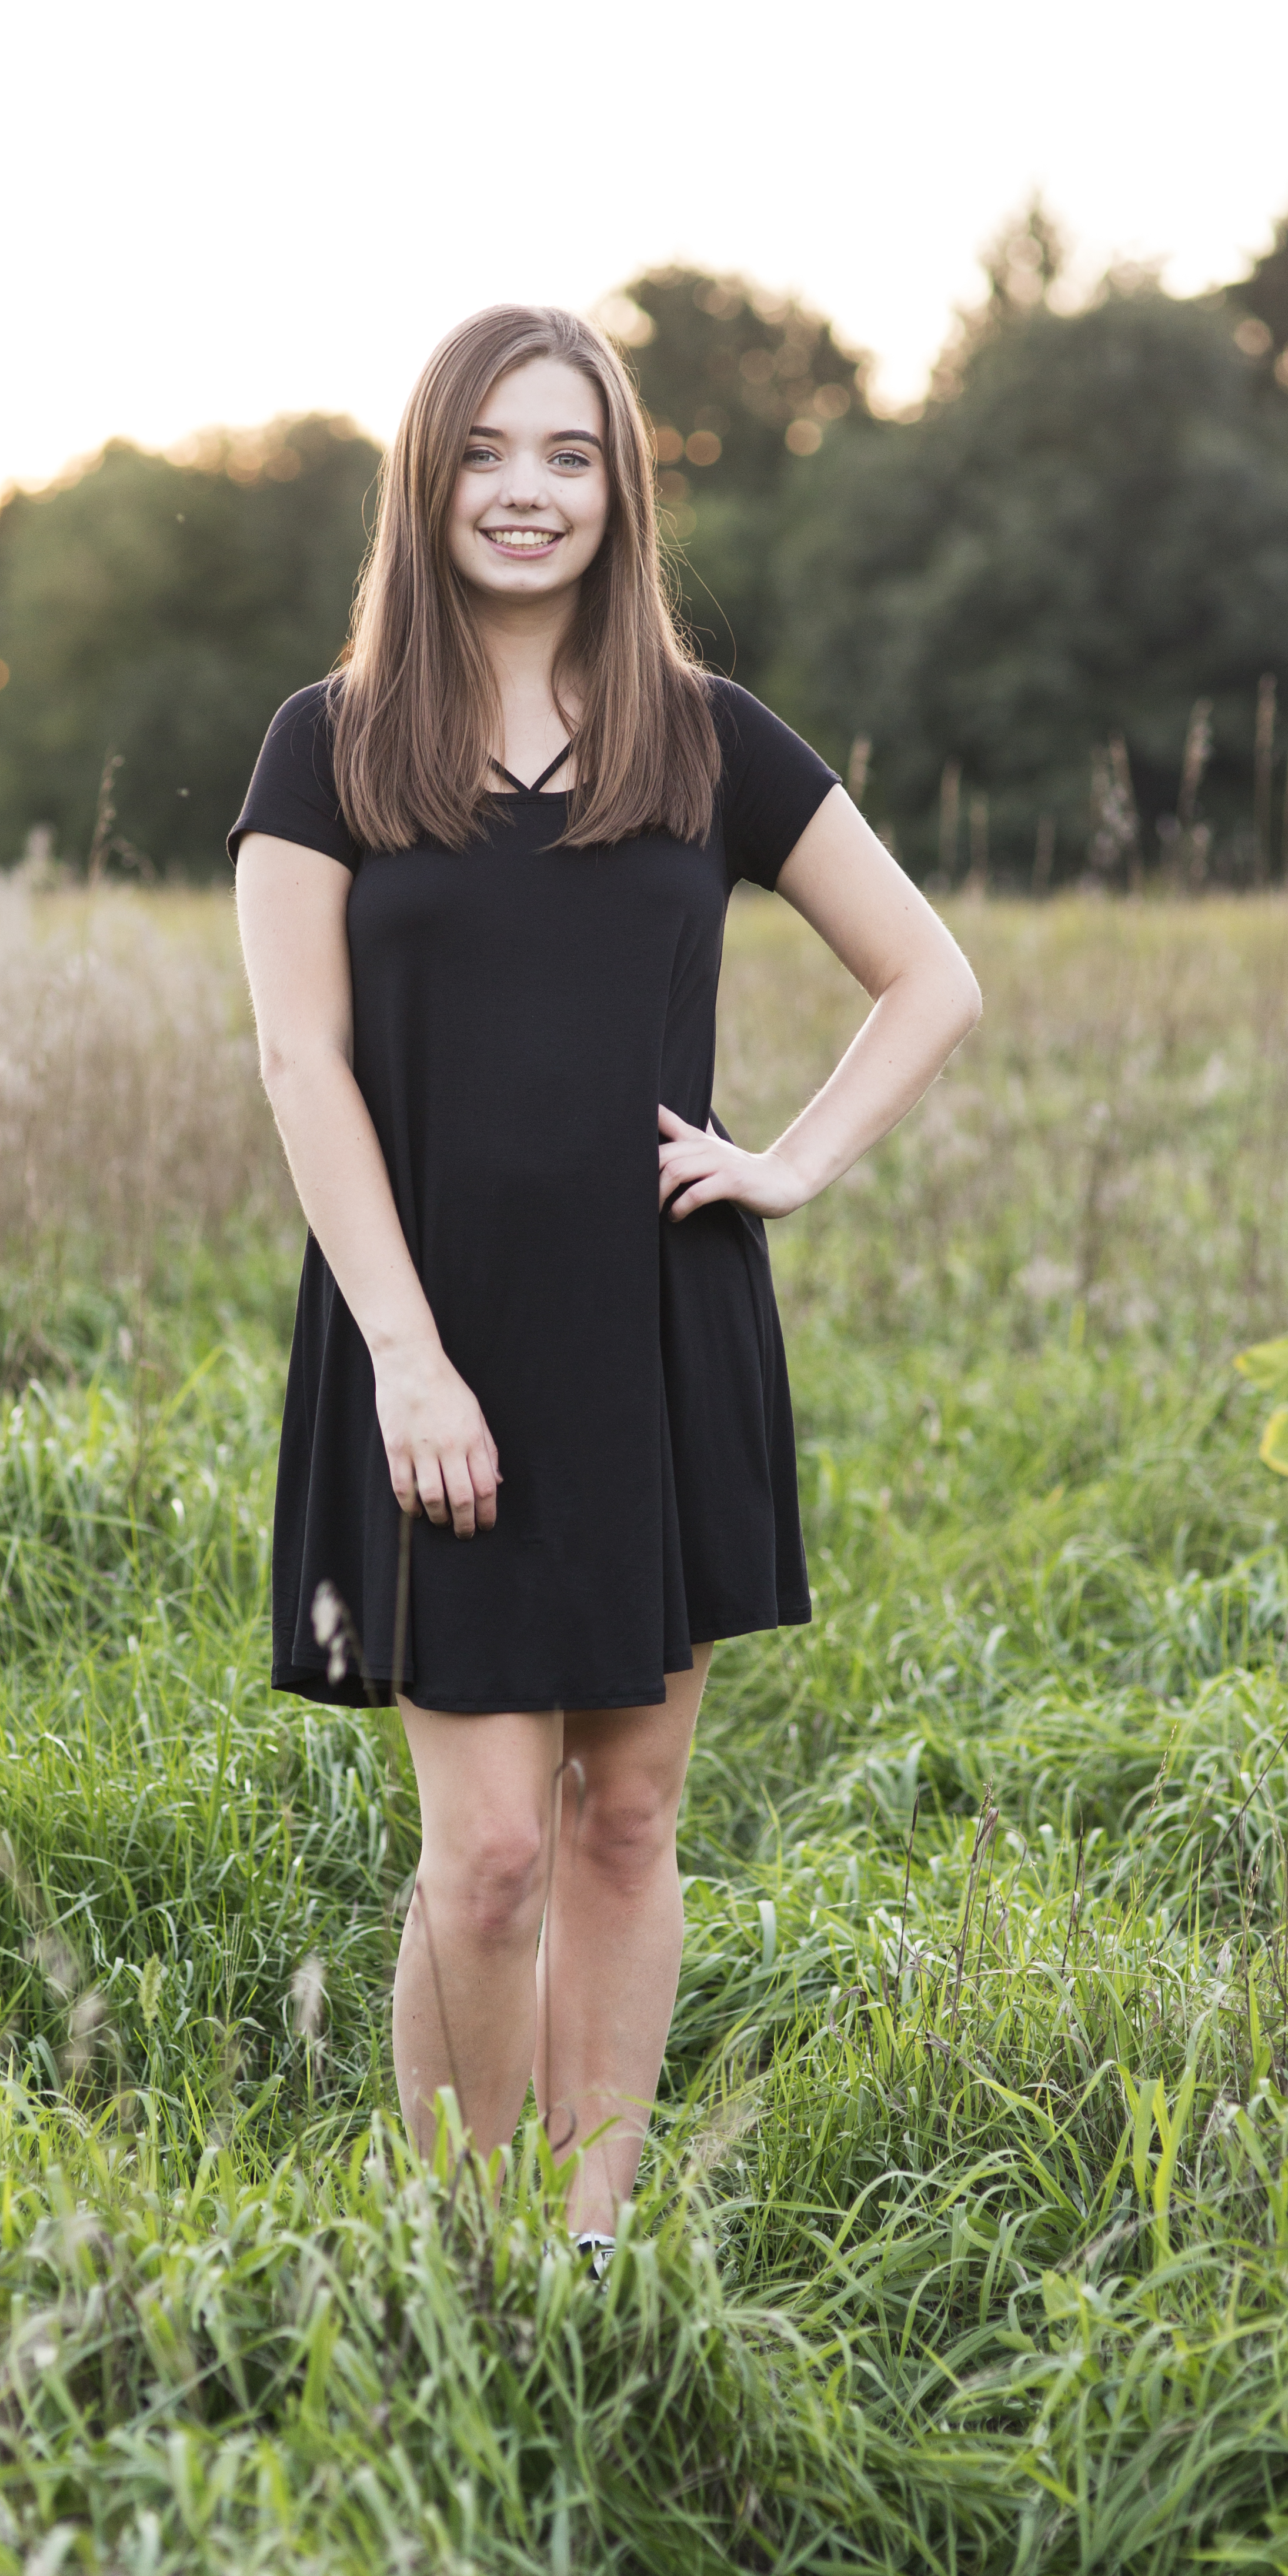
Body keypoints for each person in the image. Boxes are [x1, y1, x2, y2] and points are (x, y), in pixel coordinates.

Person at [231, 303, 979, 2251]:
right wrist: (405, 1355)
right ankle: (459, 2243)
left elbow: (930, 976)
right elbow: (300, 1060)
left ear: (618, 488)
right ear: (428, 481)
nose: (526, 492)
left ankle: (580, 2251)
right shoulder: (327, 745)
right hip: (432, 1343)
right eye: (487, 452)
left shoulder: (705, 736)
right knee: (483, 1857)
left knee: (624, 1821)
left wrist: (790, 1161)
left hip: (659, 1335)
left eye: (566, 455)